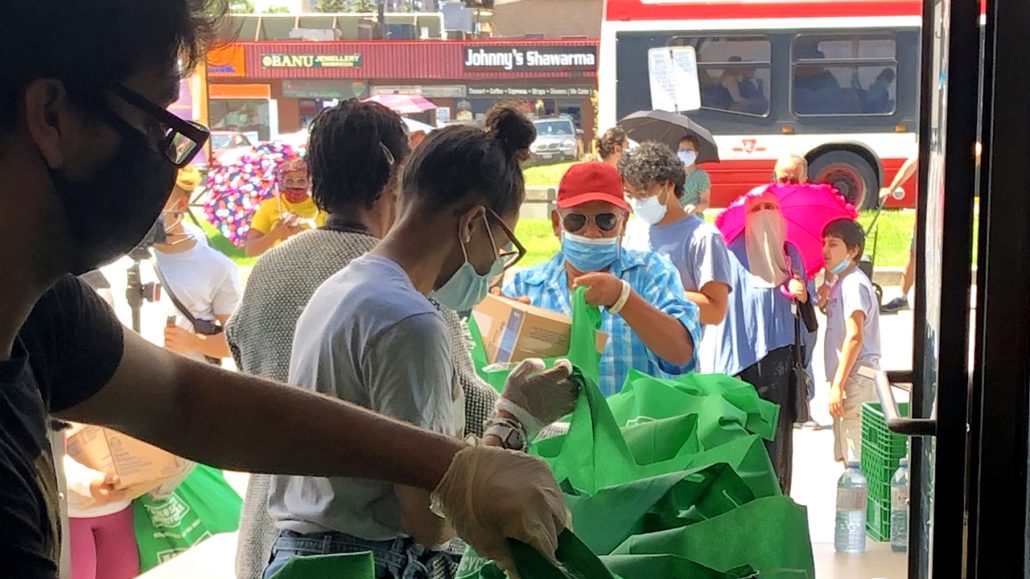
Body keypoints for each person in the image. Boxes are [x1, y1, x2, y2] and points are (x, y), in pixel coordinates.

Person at [0, 2, 570, 576]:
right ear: (50, 116)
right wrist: (501, 433)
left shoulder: (43, 317)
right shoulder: (408, 317)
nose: (166, 162)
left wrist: (455, 468)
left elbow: (188, 401)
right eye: (156, 125)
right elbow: (426, 520)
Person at [264, 104, 578, 579]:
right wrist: (514, 422)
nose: (496, 268)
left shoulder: (346, 287)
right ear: (473, 224)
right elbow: (432, 521)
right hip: (369, 562)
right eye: (502, 248)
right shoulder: (410, 322)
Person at [228, 100, 501, 578]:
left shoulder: (270, 268)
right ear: (398, 174)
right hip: (361, 548)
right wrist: (527, 417)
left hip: (276, 534)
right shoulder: (404, 299)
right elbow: (461, 422)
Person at [502, 161, 702, 396]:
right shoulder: (525, 286)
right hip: (555, 431)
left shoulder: (652, 274)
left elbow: (681, 354)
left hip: (632, 430)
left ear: (623, 223)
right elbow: (497, 373)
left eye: (605, 221)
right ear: (557, 224)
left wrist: (624, 299)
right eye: (576, 221)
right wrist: (495, 322)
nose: (591, 232)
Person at [719, 188, 811, 494]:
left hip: (781, 358)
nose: (764, 214)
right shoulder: (731, 253)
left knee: (779, 439)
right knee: (747, 439)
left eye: (770, 206)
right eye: (756, 209)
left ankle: (778, 500)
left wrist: (803, 294)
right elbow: (726, 316)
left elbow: (807, 319)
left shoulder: (790, 253)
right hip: (742, 361)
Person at [619, 142, 732, 326]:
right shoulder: (631, 231)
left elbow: (715, 311)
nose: (636, 202)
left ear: (669, 185)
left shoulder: (703, 237)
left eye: (643, 194)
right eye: (630, 195)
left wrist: (654, 293)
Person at [155, 166, 241, 363]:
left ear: (181, 204)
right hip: (132, 384)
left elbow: (238, 342)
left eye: (158, 200)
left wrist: (195, 343)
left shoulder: (218, 267)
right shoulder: (120, 259)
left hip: (187, 385)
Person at [817, 219, 881, 463]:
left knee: (856, 459)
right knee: (846, 453)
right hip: (848, 379)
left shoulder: (853, 284)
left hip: (855, 378)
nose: (825, 250)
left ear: (853, 251)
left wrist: (839, 385)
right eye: (824, 243)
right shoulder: (842, 282)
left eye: (833, 244)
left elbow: (855, 336)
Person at [245, 156, 326, 257]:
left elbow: (329, 247)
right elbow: (251, 250)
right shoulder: (269, 206)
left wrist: (301, 233)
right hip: (277, 264)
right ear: (282, 182)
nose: (295, 186)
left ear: (309, 181)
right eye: (289, 181)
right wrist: (276, 233)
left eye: (301, 181)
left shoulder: (321, 207)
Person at [879, 153, 918, 313]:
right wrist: (892, 188)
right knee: (913, 253)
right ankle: (902, 297)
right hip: (927, 211)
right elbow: (911, 164)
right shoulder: (932, 146)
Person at [677, 135, 712, 215]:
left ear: (696, 153)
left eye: (689, 150)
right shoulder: (672, 174)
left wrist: (695, 207)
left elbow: (705, 203)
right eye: (682, 150)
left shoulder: (701, 176)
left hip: (692, 219)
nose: (685, 153)